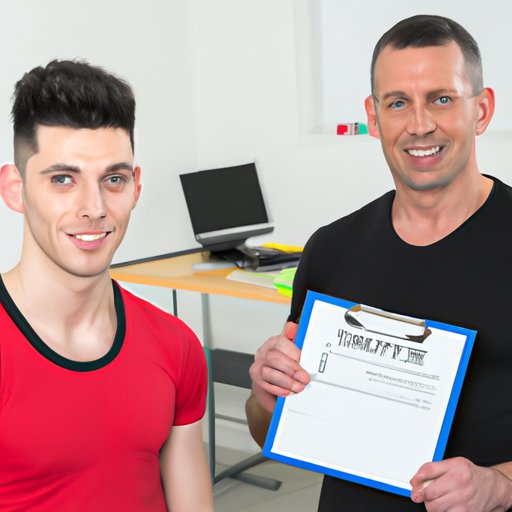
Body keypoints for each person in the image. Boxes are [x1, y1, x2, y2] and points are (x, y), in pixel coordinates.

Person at [246, 14, 512, 511]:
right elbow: (269, 432)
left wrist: (500, 486)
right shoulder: (331, 249)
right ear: (373, 117)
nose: (419, 125)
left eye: (441, 98)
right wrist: (266, 394)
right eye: (398, 103)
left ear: (481, 110)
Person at [0, 60, 213, 511]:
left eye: (113, 179)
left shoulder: (176, 346)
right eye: (63, 179)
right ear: (15, 190)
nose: (94, 207)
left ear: (135, 187)